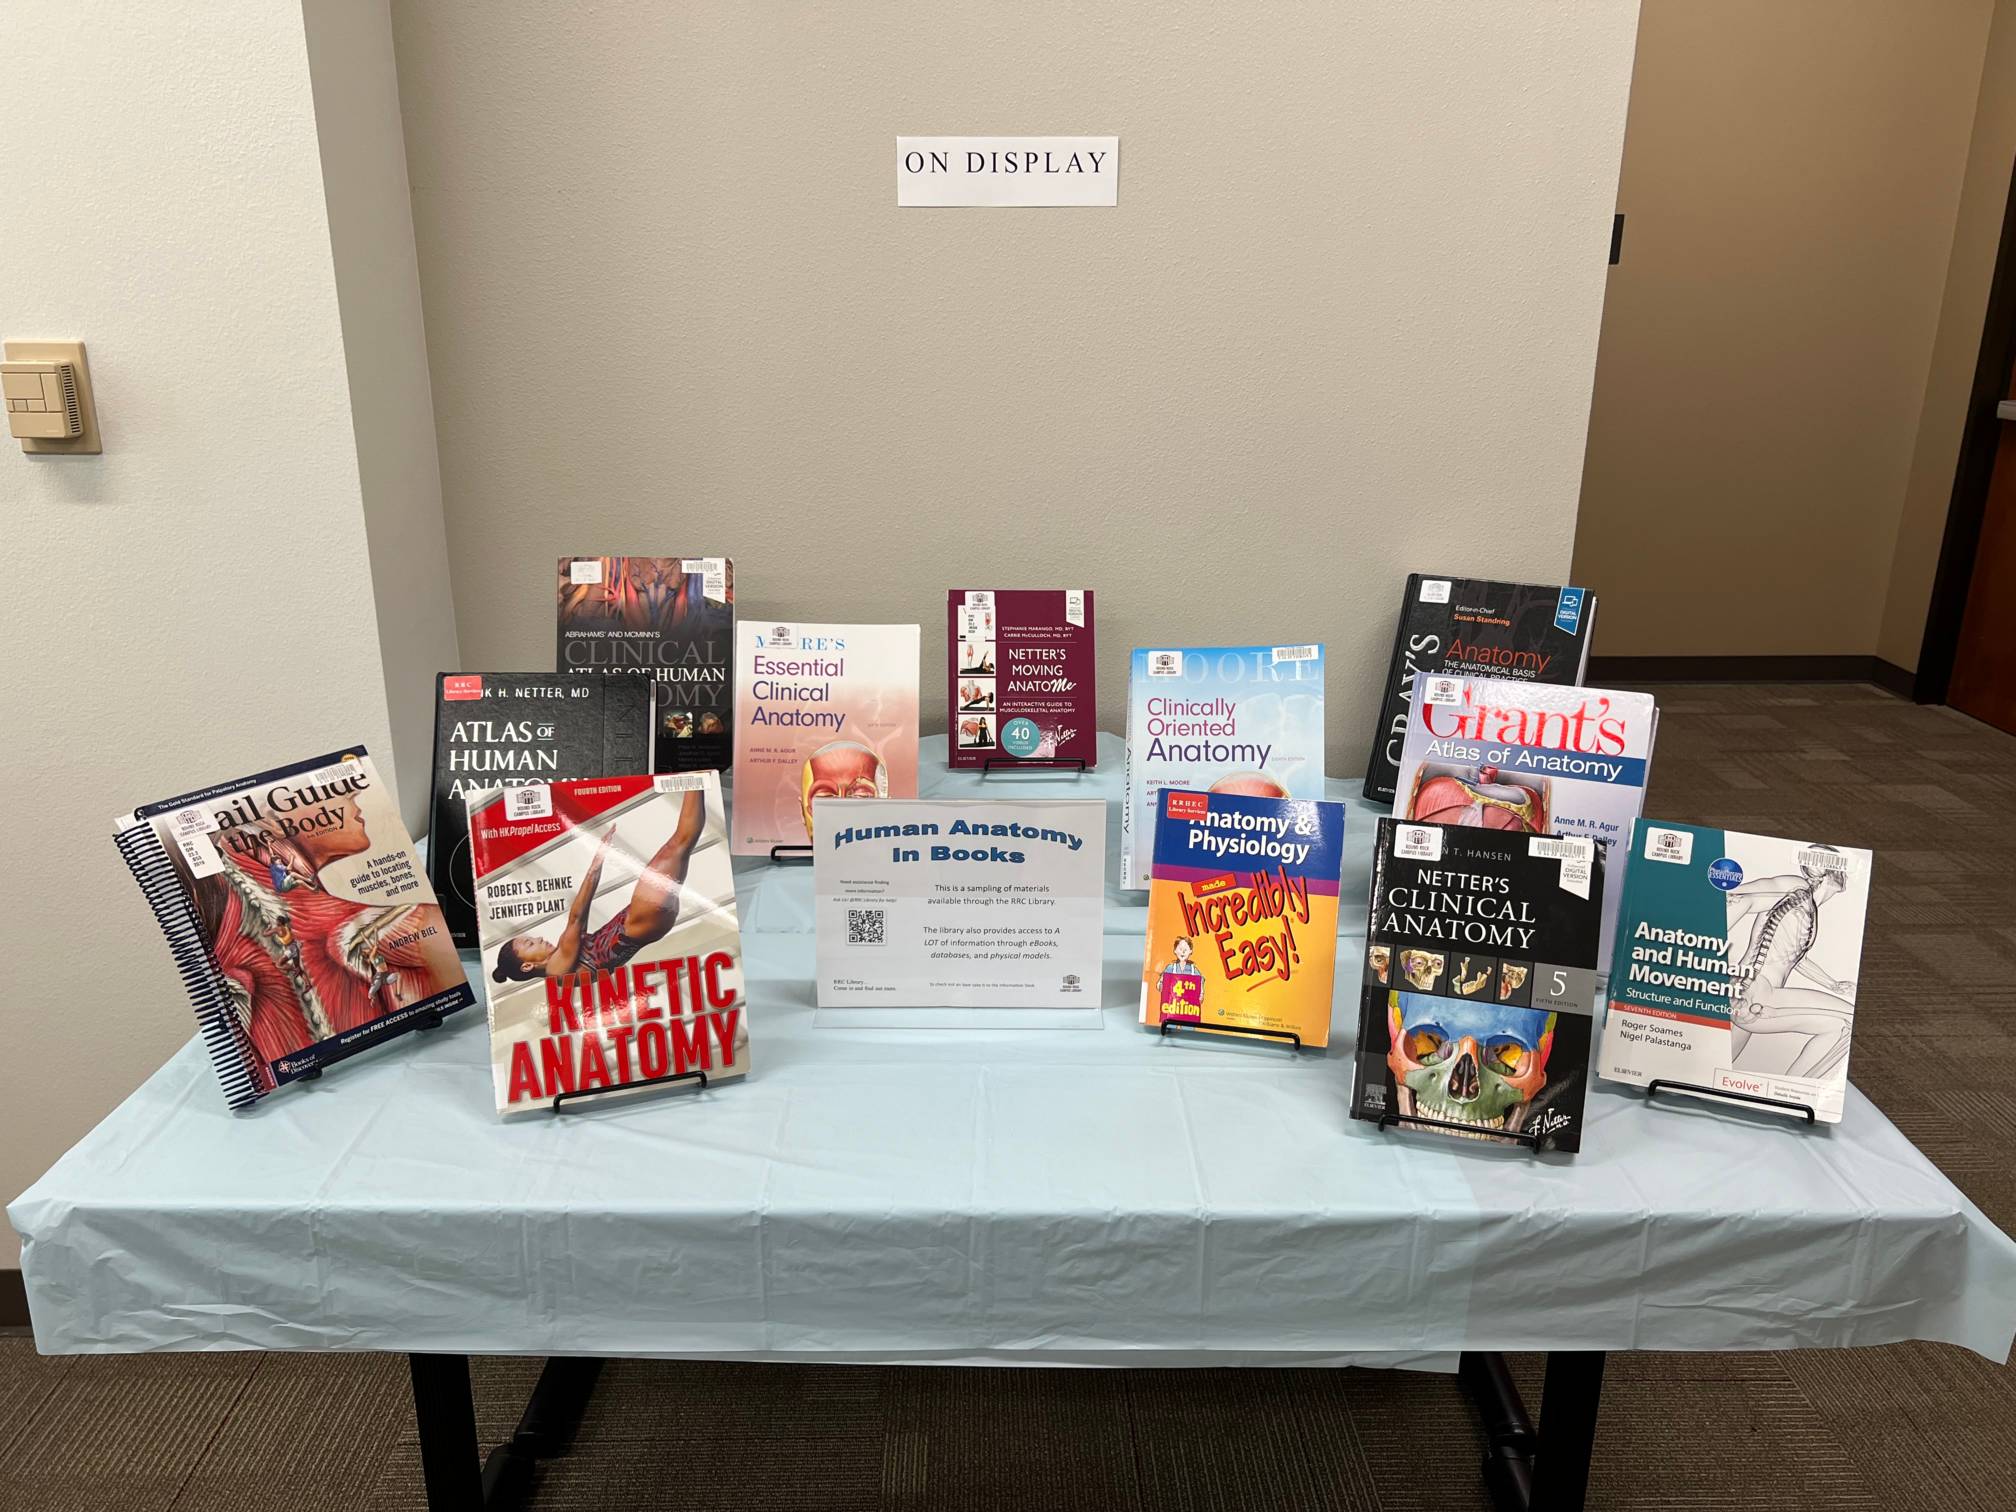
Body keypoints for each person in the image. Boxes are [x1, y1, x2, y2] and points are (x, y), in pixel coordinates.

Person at [491, 790, 707, 981]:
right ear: (528, 965)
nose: (538, 938)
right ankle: (693, 779)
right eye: (530, 944)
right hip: (640, 921)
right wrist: (597, 863)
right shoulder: (557, 969)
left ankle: (694, 781)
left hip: (643, 922)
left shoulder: (564, 966)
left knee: (680, 846)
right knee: (679, 843)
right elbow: (577, 917)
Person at [1726, 856, 1856, 1078]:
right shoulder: (1798, 887)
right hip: (1756, 993)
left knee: (1717, 1067)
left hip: (1750, 994)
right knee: (1848, 1021)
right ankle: (1791, 1090)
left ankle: (1788, 1092)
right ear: (1830, 873)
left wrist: (1833, 985)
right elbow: (1743, 895)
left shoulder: (1807, 909)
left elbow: (1795, 959)